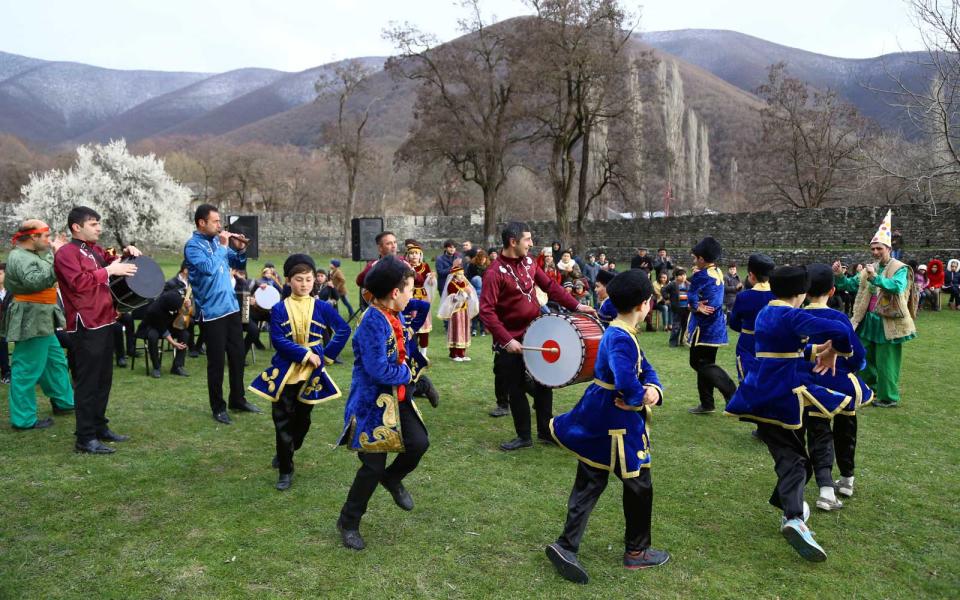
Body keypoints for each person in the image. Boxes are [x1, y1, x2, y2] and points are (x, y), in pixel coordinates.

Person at [545, 270, 669, 584]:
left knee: (590, 479)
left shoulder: (621, 328)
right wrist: (640, 398)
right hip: (618, 422)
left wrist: (653, 386)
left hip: (598, 414)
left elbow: (645, 366)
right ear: (645, 305)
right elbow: (627, 378)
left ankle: (566, 544)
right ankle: (637, 552)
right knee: (639, 484)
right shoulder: (620, 336)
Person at [724, 265, 852, 562]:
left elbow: (780, 348)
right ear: (802, 293)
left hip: (758, 391)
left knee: (792, 458)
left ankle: (787, 506)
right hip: (778, 396)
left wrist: (814, 351)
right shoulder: (792, 315)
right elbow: (841, 330)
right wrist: (836, 350)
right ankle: (793, 518)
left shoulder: (767, 311)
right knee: (795, 462)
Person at [336, 256, 429, 551]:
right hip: (370, 404)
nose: (411, 296)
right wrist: (407, 373)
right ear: (394, 292)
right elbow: (380, 370)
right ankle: (348, 522)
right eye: (409, 290)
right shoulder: (371, 323)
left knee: (419, 443)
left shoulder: (394, 313)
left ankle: (393, 478)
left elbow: (404, 346)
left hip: (396, 397)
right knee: (371, 468)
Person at [478, 221, 597, 451]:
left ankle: (546, 431)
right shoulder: (494, 272)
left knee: (544, 383)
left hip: (536, 332)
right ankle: (524, 436)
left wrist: (576, 306)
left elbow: (551, 287)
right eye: (527, 240)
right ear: (513, 242)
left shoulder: (530, 263)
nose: (531, 244)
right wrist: (506, 339)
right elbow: (487, 311)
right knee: (515, 387)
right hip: (510, 339)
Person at [248, 254, 350, 491]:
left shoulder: (323, 307)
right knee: (281, 419)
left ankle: (289, 448)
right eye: (298, 279)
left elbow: (343, 329)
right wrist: (305, 354)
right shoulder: (279, 308)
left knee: (302, 421)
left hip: (312, 374)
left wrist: (325, 355)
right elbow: (278, 339)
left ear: (315, 280)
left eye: (308, 279)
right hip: (284, 371)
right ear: (288, 281)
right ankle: (286, 468)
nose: (304, 284)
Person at [54, 207, 139, 453]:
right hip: (85, 325)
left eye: (99, 223)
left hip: (106, 321)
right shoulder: (66, 253)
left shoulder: (95, 251)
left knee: (103, 381)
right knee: (87, 383)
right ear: (76, 228)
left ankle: (100, 427)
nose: (99, 228)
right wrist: (109, 271)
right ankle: (85, 438)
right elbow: (78, 283)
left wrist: (127, 254)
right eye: (93, 224)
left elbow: (113, 263)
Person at [801, 264, 874, 510]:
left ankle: (825, 490)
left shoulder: (796, 317)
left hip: (812, 387)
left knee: (818, 435)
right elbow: (858, 357)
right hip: (843, 385)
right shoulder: (839, 318)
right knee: (846, 431)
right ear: (832, 291)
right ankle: (847, 480)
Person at [183, 203, 262, 424]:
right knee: (216, 363)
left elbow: (238, 263)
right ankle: (218, 407)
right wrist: (223, 245)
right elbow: (207, 268)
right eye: (216, 221)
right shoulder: (192, 246)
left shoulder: (218, 243)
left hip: (231, 308)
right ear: (202, 223)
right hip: (211, 313)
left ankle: (238, 398)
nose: (220, 225)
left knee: (237, 357)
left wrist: (240, 249)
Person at [832, 210, 917, 408]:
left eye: (879, 249)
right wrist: (839, 276)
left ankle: (889, 398)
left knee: (887, 362)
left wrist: (875, 278)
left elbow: (897, 286)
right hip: (868, 320)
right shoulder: (871, 267)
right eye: (873, 249)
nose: (876, 253)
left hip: (889, 322)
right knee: (862, 356)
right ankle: (869, 389)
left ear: (888, 248)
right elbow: (851, 285)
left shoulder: (900, 268)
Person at [3, 221, 74, 431]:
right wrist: (56, 254)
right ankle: (23, 419)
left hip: (41, 316)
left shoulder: (34, 254)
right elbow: (36, 282)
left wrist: (53, 251)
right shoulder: (18, 257)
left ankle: (64, 402)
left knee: (55, 362)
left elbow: (44, 272)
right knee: (26, 368)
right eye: (45, 236)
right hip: (31, 317)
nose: (49, 240)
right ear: (33, 237)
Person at [685, 237, 737, 414]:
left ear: (701, 259)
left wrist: (696, 305)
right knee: (706, 363)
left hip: (705, 327)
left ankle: (730, 390)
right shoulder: (717, 271)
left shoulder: (701, 275)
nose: (694, 261)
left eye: (695, 257)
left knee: (698, 362)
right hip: (716, 326)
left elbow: (694, 296)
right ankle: (707, 403)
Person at [728, 254, 776, 383]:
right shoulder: (777, 295)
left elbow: (733, 323)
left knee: (747, 380)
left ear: (751, 275)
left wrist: (746, 328)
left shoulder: (744, 297)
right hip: (772, 343)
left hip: (748, 343)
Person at [135, 287, 190, 378]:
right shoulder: (155, 310)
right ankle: (156, 367)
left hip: (168, 324)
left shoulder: (175, 295)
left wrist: (187, 307)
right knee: (153, 336)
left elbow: (183, 313)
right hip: (151, 326)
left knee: (185, 334)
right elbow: (163, 330)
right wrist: (173, 343)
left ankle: (177, 366)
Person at [438, 265, 479, 361]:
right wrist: (463, 293)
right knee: (457, 330)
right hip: (456, 311)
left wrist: (469, 293)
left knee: (464, 330)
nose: (462, 276)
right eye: (459, 274)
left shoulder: (464, 283)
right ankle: (454, 353)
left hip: (464, 310)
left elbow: (470, 295)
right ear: (454, 275)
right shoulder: (451, 284)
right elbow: (453, 298)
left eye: (462, 274)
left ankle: (462, 353)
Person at [405, 241, 435, 353]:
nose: (414, 255)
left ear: (420, 255)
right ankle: (411, 351)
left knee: (424, 327)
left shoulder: (425, 266)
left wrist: (432, 278)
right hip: (409, 297)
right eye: (411, 253)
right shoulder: (406, 266)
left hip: (422, 297)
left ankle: (423, 353)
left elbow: (429, 281)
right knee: (411, 326)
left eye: (416, 253)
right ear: (408, 255)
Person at [661, 267, 690, 348]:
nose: (683, 277)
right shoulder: (673, 284)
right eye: (681, 275)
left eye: (684, 275)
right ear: (677, 277)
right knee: (676, 326)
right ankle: (673, 343)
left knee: (685, 326)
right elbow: (663, 290)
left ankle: (682, 341)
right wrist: (667, 298)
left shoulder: (688, 284)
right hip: (677, 308)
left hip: (687, 309)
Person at [0, 262, 9, 384]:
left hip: (14, 325)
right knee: (1, 338)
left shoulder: (12, 291)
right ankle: (6, 372)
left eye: (0, 273)